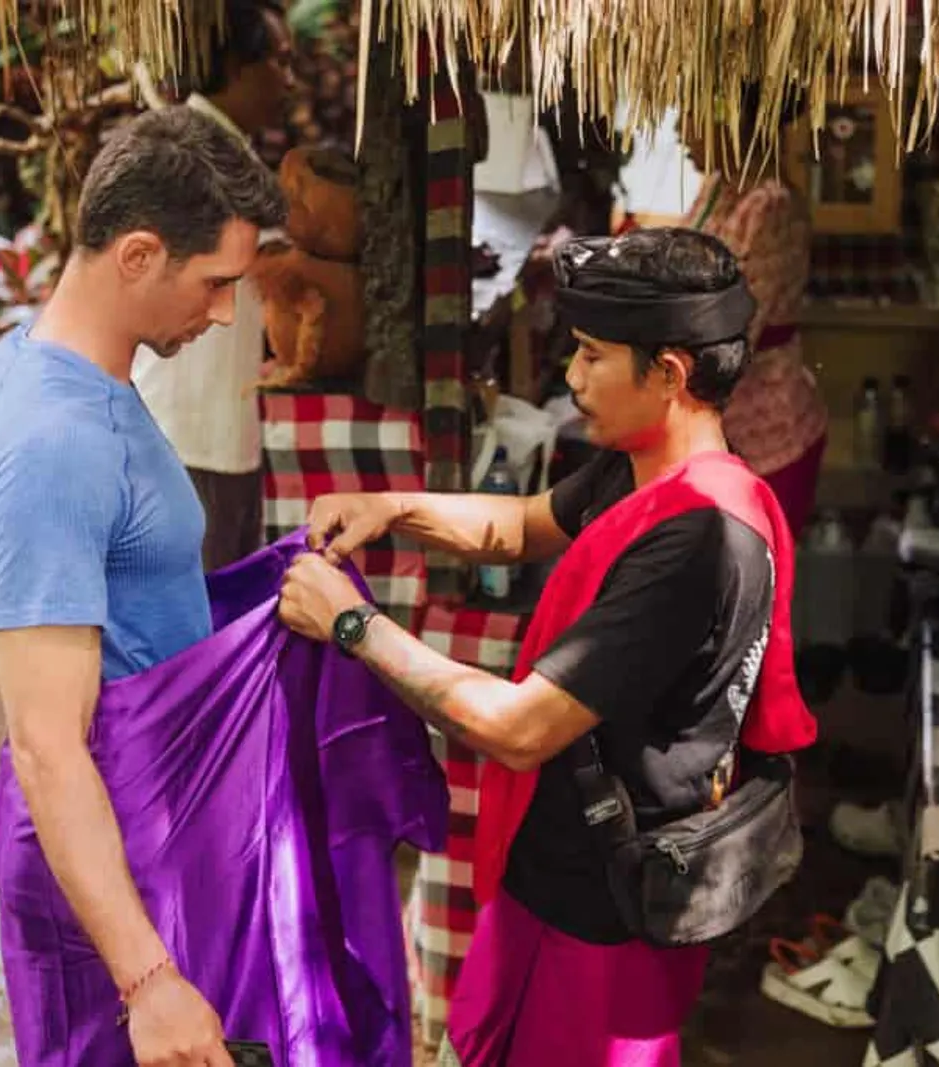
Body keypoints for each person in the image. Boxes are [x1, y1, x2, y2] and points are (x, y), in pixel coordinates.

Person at [277, 227, 817, 1066]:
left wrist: (353, 624)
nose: (571, 376)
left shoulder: (698, 541)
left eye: (593, 356)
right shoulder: (646, 466)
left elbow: (520, 725)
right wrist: (393, 506)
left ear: (668, 374)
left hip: (606, 907)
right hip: (558, 870)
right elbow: (523, 525)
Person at [0, 106, 286, 1066]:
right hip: (106, 861)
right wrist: (147, 979)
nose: (226, 313)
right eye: (216, 283)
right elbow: (48, 745)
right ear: (138, 255)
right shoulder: (49, 443)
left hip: (150, 821)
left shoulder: (70, 367)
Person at [132, 0, 297, 571]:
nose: (289, 80)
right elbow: (277, 270)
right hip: (190, 431)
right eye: (279, 62)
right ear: (235, 66)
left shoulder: (219, 147)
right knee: (191, 624)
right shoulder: (201, 153)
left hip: (206, 425)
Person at [682, 87, 829, 537]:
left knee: (753, 592)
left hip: (767, 439)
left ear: (728, 117)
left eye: (688, 114)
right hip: (725, 432)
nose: (679, 131)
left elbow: (731, 330)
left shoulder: (770, 207)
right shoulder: (718, 189)